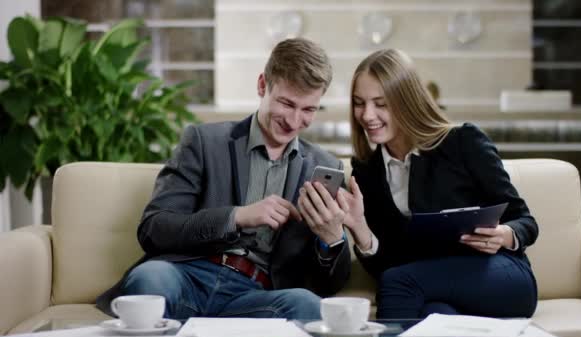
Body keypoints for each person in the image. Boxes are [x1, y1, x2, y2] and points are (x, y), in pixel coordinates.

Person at [96, 38, 351, 320]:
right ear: (262, 85)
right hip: (185, 277)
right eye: (286, 103)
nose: (294, 121)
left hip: (255, 296)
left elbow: (329, 285)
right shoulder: (204, 142)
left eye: (308, 110)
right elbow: (154, 229)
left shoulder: (324, 167)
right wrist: (237, 217)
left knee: (307, 305)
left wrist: (332, 239)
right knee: (151, 279)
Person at [340, 49, 538, 319]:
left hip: (499, 275)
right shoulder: (366, 171)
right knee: (434, 316)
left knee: (398, 284)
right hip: (431, 288)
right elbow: (387, 267)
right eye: (359, 103)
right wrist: (360, 230)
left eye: (380, 103)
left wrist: (504, 234)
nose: (367, 115)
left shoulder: (463, 142)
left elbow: (525, 221)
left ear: (406, 101)